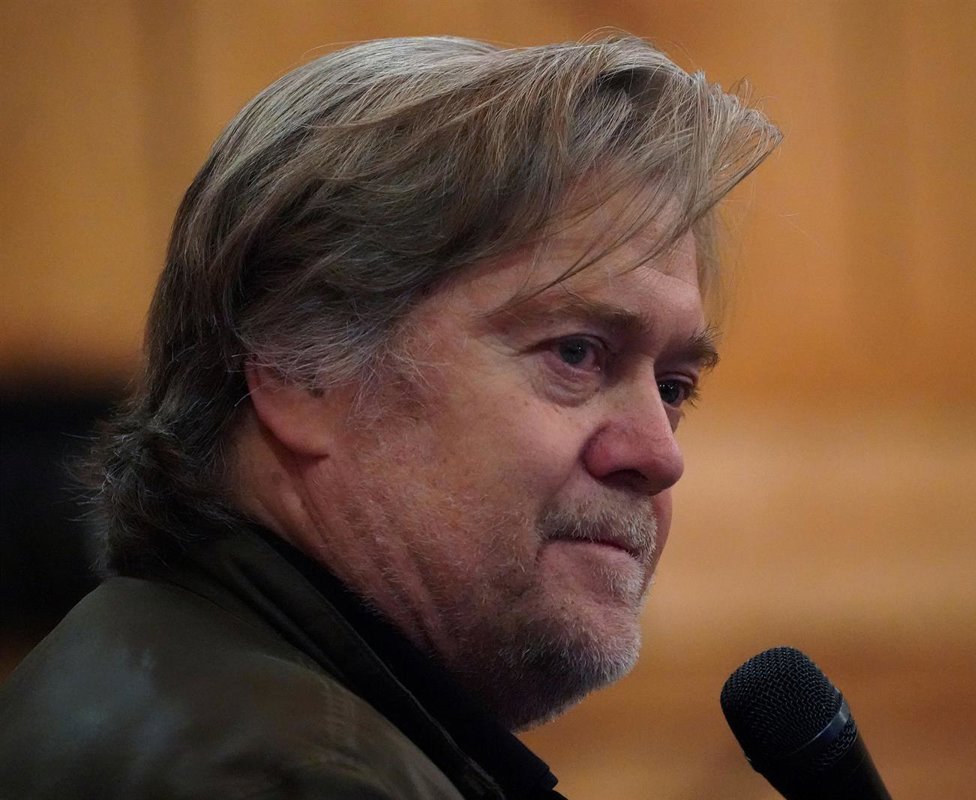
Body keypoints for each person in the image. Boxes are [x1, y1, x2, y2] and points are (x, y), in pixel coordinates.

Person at [0, 34, 778, 799]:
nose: (659, 454)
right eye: (576, 353)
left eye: (673, 388)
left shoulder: (177, 694)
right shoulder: (294, 779)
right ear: (303, 369)